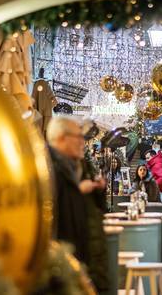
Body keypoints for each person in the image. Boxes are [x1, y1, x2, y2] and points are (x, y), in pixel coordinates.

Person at [46, 116, 108, 291]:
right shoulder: (48, 170)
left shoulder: (75, 167)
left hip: (80, 258)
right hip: (62, 266)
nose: (83, 142)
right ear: (61, 138)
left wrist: (98, 190)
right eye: (78, 137)